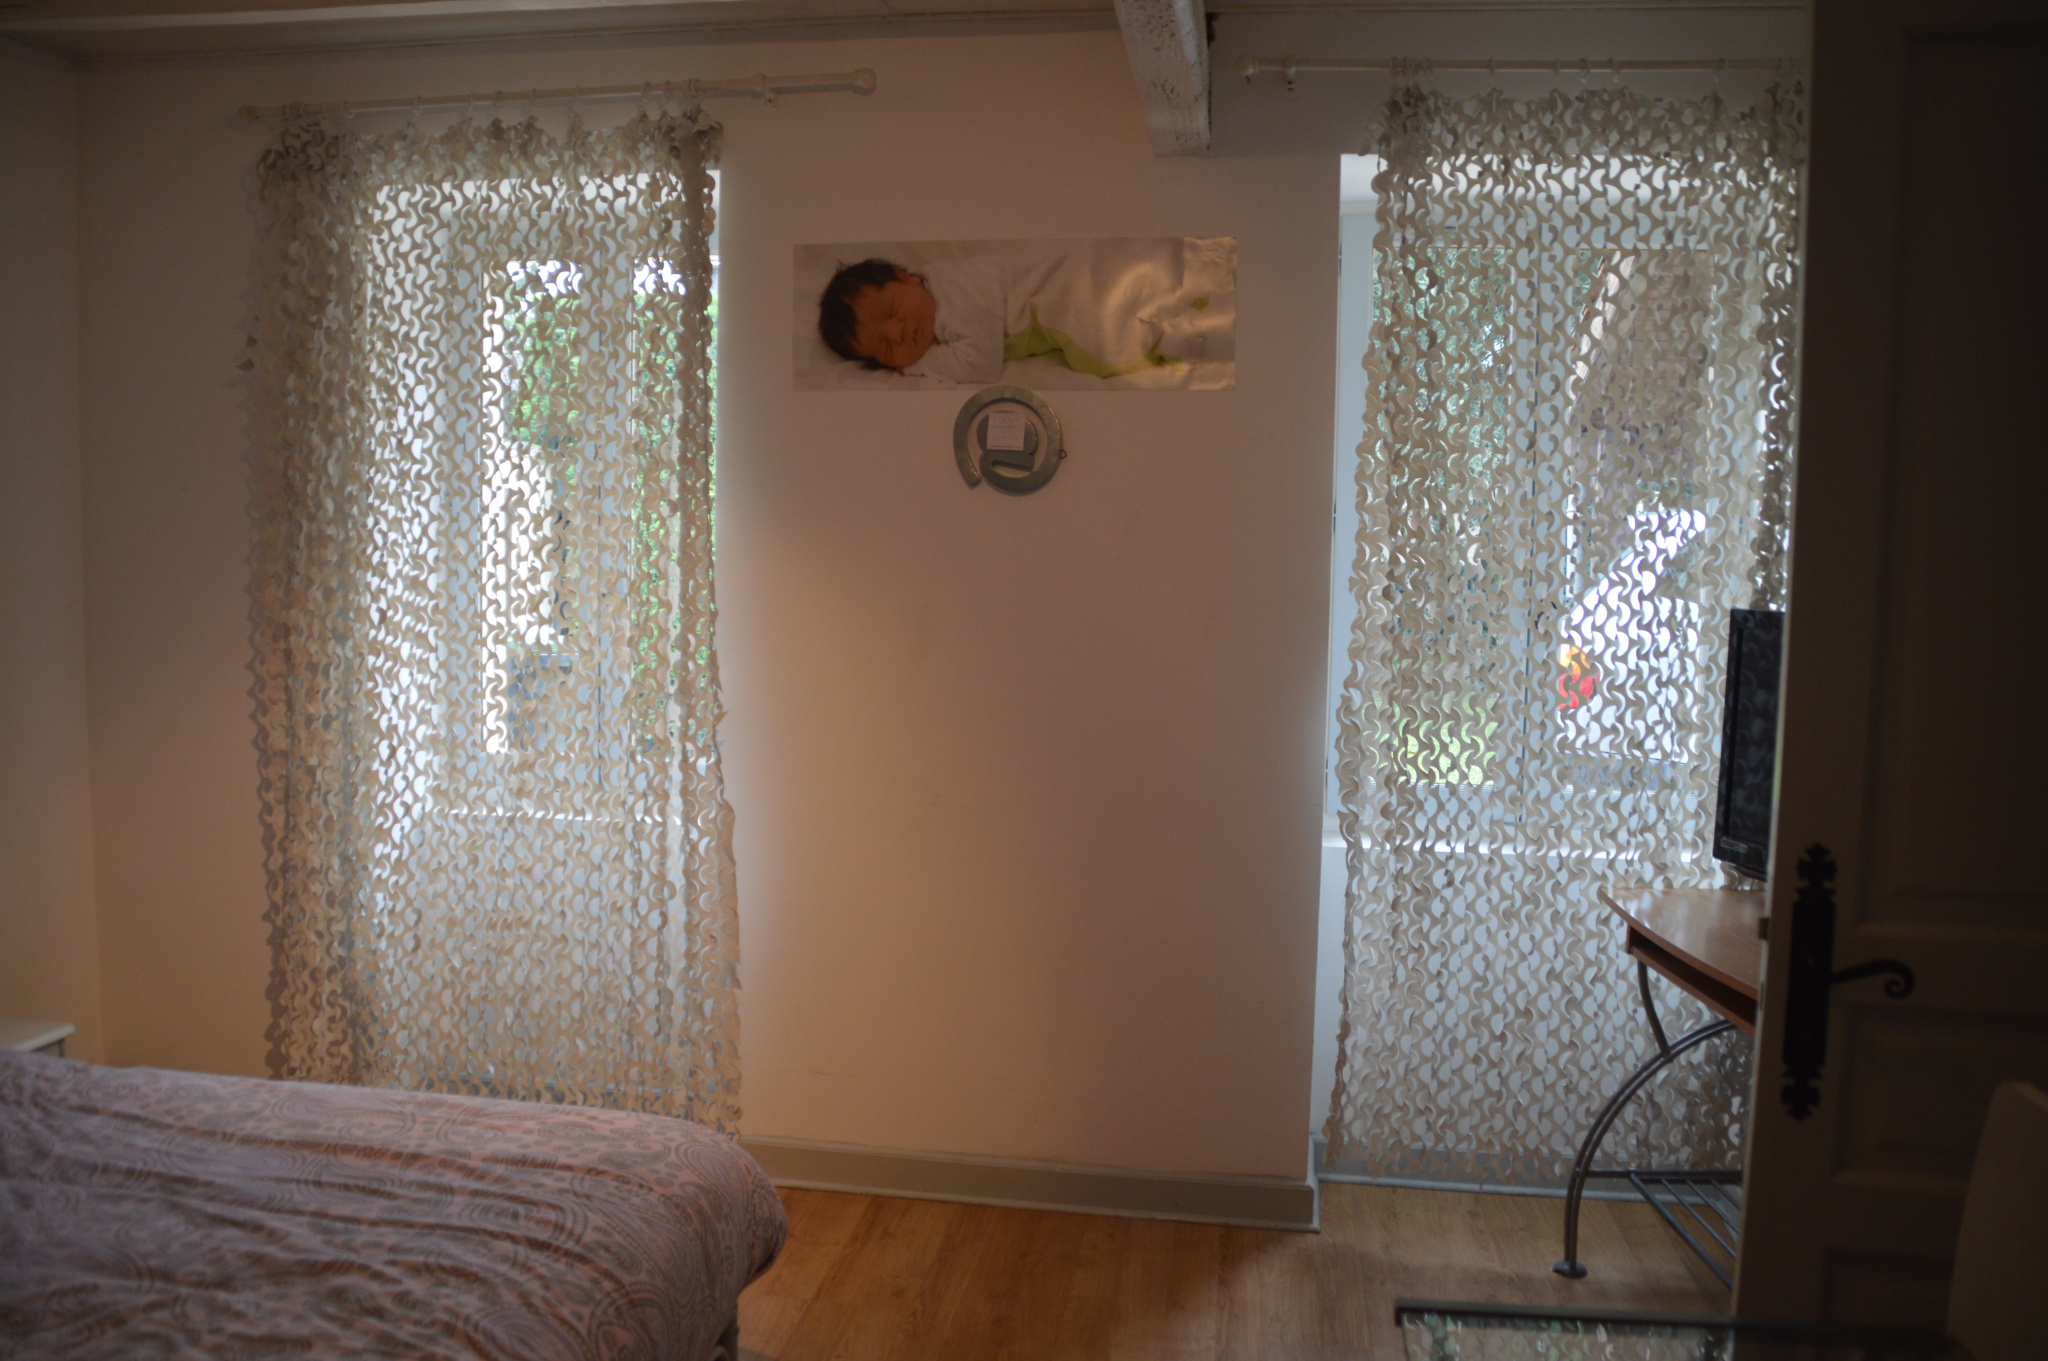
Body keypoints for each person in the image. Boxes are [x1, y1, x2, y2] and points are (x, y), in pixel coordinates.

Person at [816, 254, 1195, 386]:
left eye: (890, 312)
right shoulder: (934, 303)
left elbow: (981, 363)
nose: (898, 332)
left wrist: (919, 365)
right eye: (885, 348)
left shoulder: (953, 291)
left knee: (1099, 352)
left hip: (1059, 292)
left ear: (905, 277)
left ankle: (1173, 332)